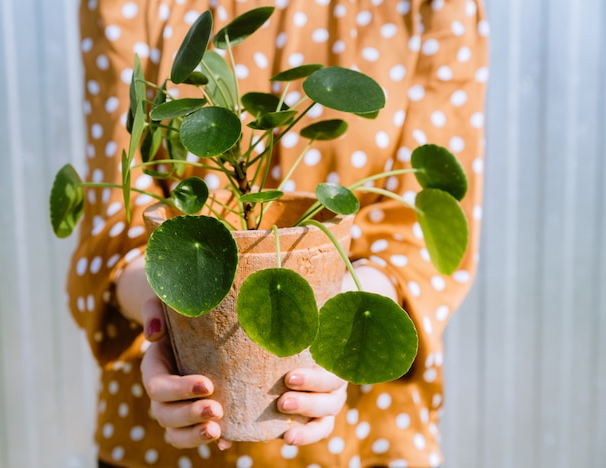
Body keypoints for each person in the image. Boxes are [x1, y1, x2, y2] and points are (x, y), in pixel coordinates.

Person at [68, 0, 488, 466]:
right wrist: (162, 317)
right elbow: (116, 227)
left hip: (363, 440)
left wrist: (335, 320)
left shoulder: (433, 7)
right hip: (165, 432)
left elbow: (419, 239)